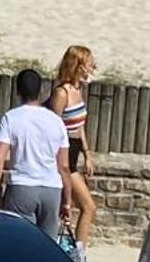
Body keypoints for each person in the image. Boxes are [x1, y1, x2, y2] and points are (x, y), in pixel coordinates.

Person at [0, 68, 69, 241]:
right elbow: (64, 166)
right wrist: (67, 200)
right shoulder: (56, 121)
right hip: (52, 189)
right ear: (41, 91)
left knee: (19, 243)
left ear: (17, 91)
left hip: (22, 186)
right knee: (48, 246)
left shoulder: (11, 118)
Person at [49, 46, 98, 253]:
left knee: (83, 208)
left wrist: (87, 154)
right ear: (78, 66)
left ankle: (78, 250)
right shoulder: (62, 93)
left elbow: (80, 126)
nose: (93, 67)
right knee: (88, 207)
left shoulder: (79, 90)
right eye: (89, 63)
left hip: (75, 152)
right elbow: (51, 126)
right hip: (64, 156)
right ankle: (79, 253)